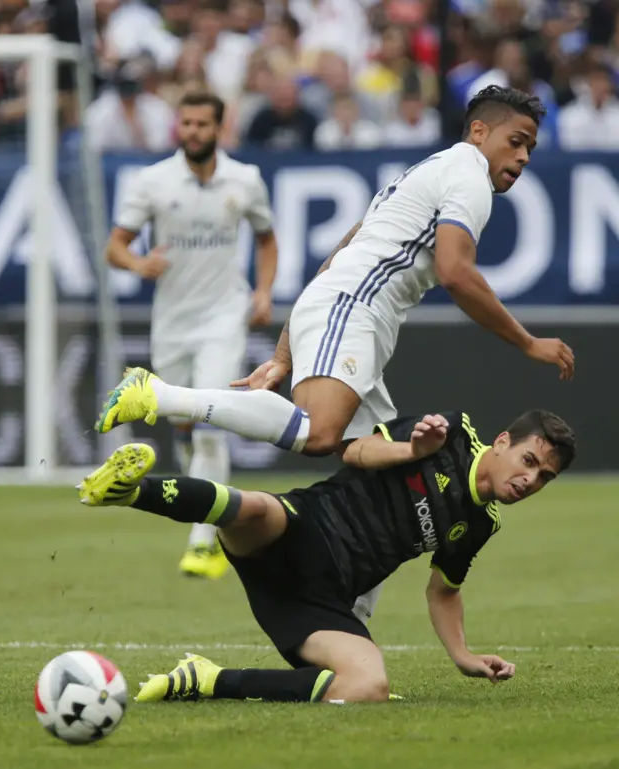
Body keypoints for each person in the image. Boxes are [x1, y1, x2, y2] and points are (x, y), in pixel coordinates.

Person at [96, 84, 574, 620]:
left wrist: (285, 352)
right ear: (479, 132)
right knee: (319, 434)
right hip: (352, 310)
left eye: (530, 147)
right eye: (516, 141)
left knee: (392, 479)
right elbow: (455, 272)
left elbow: (344, 248)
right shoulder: (467, 176)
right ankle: (159, 395)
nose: (524, 157)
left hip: (347, 313)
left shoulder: (425, 172)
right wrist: (528, 341)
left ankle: (351, 624)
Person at [78, 408, 576, 703]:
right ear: (504, 442)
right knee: (252, 508)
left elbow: (444, 591)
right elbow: (355, 452)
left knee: (368, 687)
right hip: (302, 528)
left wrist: (464, 656)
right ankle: (127, 491)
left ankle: (205, 681)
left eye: (543, 478)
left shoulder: (481, 523)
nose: (530, 480)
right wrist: (412, 450)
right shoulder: (446, 435)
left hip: (319, 602)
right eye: (529, 461)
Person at [105, 91, 278, 579]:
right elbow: (114, 247)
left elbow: (267, 239)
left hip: (224, 317)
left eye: (203, 124)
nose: (193, 132)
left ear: (219, 128)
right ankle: (209, 504)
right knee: (182, 427)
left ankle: (206, 539)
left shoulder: (245, 180)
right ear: (177, 127)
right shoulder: (153, 181)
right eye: (186, 123)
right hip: (172, 323)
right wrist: (139, 263)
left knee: (208, 422)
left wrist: (263, 292)